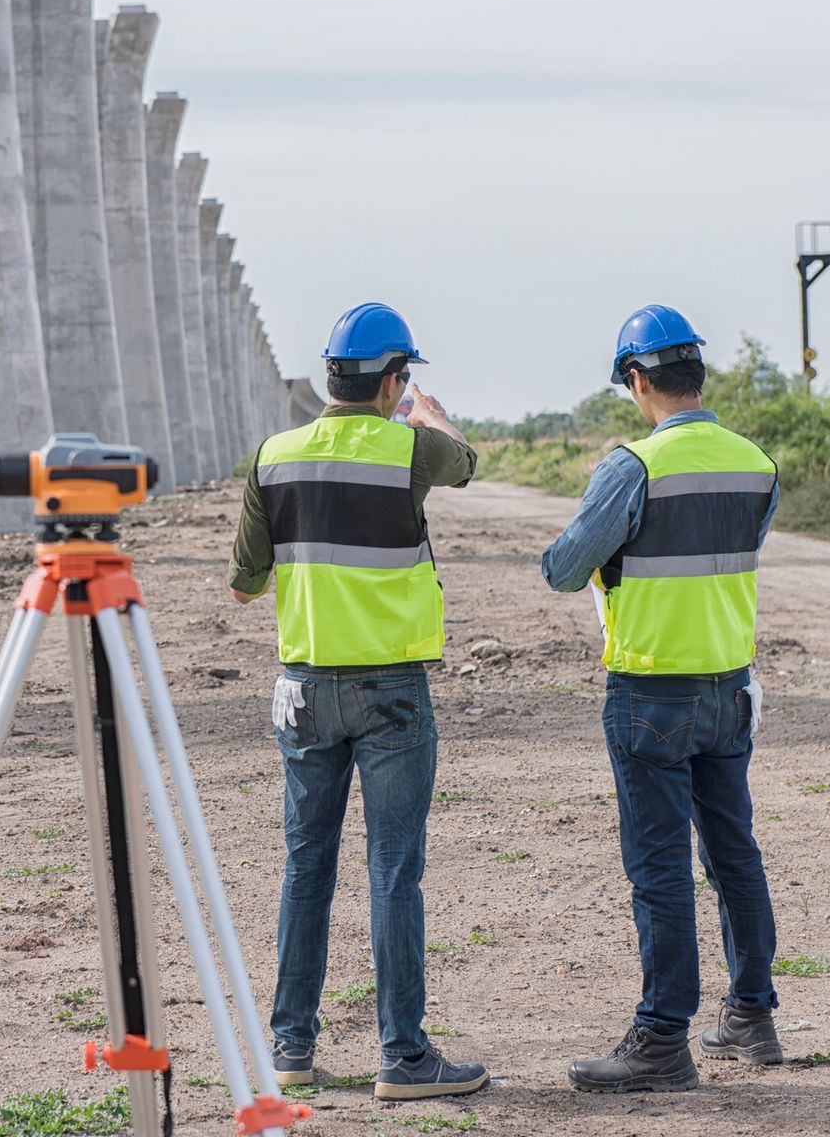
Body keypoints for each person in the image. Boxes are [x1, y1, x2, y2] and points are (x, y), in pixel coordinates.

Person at [228, 302, 489, 1101]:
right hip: (392, 692)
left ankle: (291, 1050)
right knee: (392, 872)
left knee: (306, 866)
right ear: (391, 380)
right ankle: (403, 1057)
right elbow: (466, 462)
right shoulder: (409, 449)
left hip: (305, 690)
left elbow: (245, 586)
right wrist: (430, 413)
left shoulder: (274, 456)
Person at [541, 304, 785, 1093]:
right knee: (735, 857)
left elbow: (563, 568)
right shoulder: (755, 462)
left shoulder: (632, 466)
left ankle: (661, 1039)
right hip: (729, 691)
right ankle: (751, 1016)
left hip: (651, 693)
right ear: (699, 374)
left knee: (660, 870)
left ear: (637, 380)